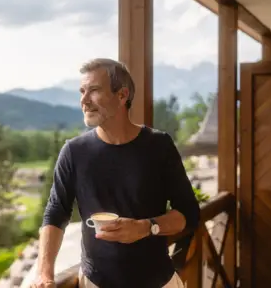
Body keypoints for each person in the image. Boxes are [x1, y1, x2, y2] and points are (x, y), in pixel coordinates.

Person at [31, 58, 200, 287]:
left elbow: (189, 214)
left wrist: (146, 227)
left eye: (94, 91)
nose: (84, 101)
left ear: (122, 95)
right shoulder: (74, 152)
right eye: (82, 91)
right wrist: (44, 275)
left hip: (159, 282)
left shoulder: (159, 146)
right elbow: (55, 213)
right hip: (96, 283)